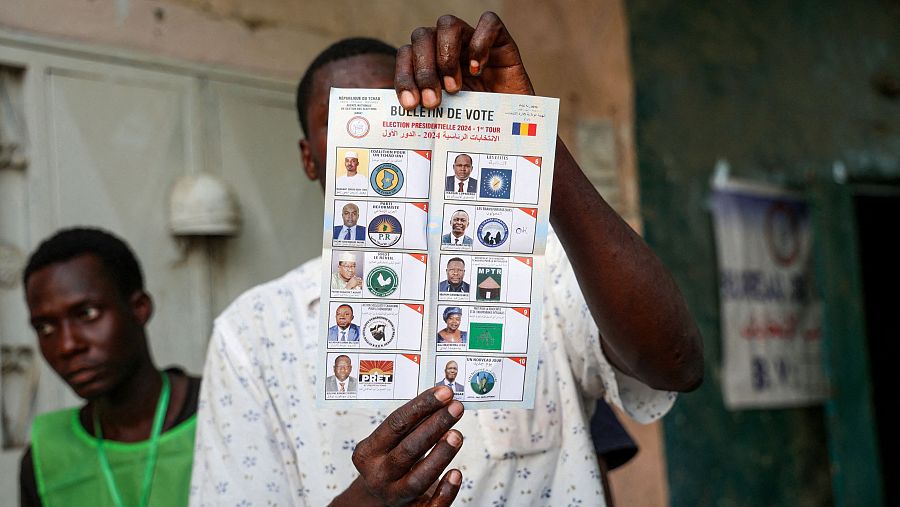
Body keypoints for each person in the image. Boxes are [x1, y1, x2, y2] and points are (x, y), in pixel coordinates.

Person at [192, 13, 703, 507]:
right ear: (309, 158)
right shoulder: (253, 335)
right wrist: (368, 503)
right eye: (349, 120)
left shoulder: (539, 272)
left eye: (397, 111)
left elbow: (675, 364)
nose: (379, 135)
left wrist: (532, 136)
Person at [19, 227, 201, 507]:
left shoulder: (220, 413)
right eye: (45, 327)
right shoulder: (46, 457)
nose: (67, 345)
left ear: (139, 308)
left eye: (87, 314)